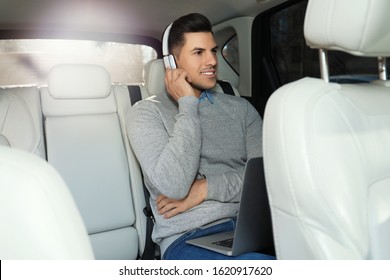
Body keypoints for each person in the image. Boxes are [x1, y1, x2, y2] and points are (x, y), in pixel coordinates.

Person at [126, 13, 274, 260]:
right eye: (198, 52)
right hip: (188, 238)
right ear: (171, 63)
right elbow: (174, 185)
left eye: (213, 51)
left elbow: (264, 179)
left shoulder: (241, 109)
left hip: (255, 227)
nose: (212, 61)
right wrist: (188, 104)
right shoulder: (145, 114)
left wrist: (204, 189)